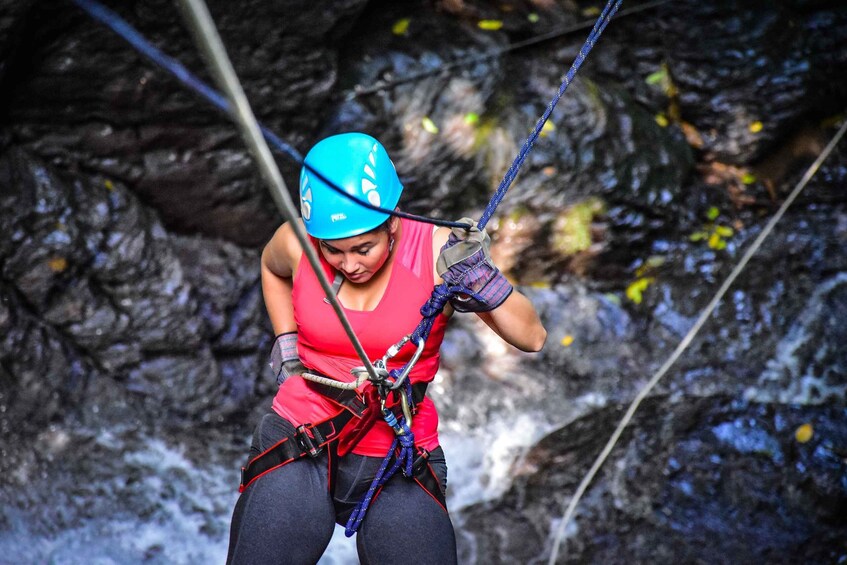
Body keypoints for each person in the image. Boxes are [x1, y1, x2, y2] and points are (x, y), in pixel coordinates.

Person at [227, 132, 546, 564]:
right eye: (334, 251)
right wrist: (287, 343)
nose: (350, 264)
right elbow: (272, 268)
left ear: (392, 219)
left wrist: (483, 282)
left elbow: (532, 337)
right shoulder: (299, 241)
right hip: (302, 432)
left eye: (363, 247)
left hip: (397, 447)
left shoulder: (439, 253)